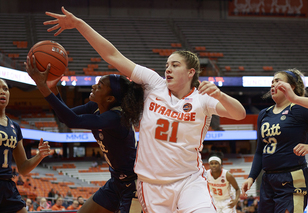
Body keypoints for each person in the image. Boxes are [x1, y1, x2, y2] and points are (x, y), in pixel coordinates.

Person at [43, 7, 246, 212]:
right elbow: (113, 55)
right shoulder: (153, 84)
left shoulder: (202, 99)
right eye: (167, 64)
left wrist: (220, 95)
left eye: (175, 65)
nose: (168, 68)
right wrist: (79, 24)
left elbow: (239, 114)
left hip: (189, 181)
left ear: (190, 72)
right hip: (151, 185)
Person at [26, 56, 144, 212]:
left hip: (133, 185)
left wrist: (43, 88)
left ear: (110, 98)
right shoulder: (94, 106)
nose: (94, 86)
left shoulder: (116, 118)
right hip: (116, 182)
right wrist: (53, 89)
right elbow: (65, 118)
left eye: (100, 86)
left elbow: (74, 121)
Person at [241, 69, 308, 213]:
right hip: (267, 180)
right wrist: (251, 177)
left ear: (292, 87)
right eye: (272, 82)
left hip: (292, 177)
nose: (273, 85)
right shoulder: (264, 114)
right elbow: (260, 151)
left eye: (278, 81)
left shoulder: (300, 108)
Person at [272, 39, 308, 213]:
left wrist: (295, 99)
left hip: (293, 174)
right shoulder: (266, 113)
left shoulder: (299, 106)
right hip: (270, 177)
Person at [0, 78, 50, 213]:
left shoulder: (14, 127)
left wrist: (40, 156)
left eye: (5, 89)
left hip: (7, 185)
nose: (2, 92)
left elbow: (22, 168)